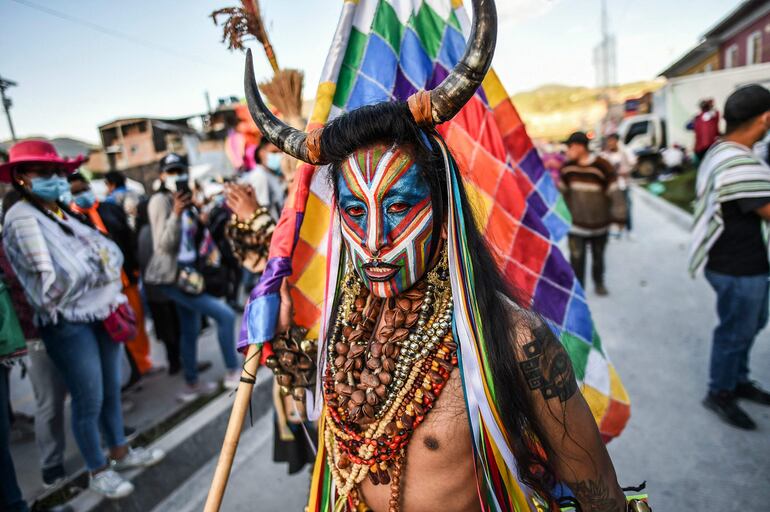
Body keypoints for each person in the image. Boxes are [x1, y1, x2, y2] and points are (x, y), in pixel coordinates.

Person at [240, 2, 640, 507]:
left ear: (443, 206)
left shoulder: (514, 339)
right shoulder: (339, 324)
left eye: (401, 205)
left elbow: (600, 494)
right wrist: (276, 327)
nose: (377, 238)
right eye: (356, 213)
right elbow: (309, 401)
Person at [0, 140, 164, 498]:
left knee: (108, 391)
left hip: (98, 313)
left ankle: (120, 451)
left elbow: (103, 256)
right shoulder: (20, 218)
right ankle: (98, 468)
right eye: (46, 173)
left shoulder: (56, 210)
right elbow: (56, 280)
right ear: (22, 177)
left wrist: (95, 273)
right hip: (67, 322)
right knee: (87, 399)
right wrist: (97, 273)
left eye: (60, 171)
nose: (57, 179)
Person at [689, 84, 770, 430]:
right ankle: (719, 392)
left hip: (739, 263)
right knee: (735, 332)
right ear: (765, 118)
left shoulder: (723, 150)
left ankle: (738, 380)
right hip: (738, 268)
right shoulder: (739, 161)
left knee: (750, 325)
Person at [145, 153, 240, 401]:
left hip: (191, 274)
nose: (178, 176)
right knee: (226, 316)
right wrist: (176, 215)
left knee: (189, 329)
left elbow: (193, 238)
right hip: (175, 278)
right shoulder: (160, 202)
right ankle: (232, 371)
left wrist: (197, 216)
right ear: (162, 176)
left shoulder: (187, 199)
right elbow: (163, 246)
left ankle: (191, 383)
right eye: (172, 172)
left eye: (180, 170)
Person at [69, 173, 155, 387]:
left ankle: (144, 362)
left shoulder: (110, 209)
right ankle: (129, 373)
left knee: (136, 321)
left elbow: (128, 238)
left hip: (127, 279)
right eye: (76, 192)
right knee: (116, 331)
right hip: (103, 290)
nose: (81, 195)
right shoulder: (72, 220)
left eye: (83, 189)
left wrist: (134, 267)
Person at [560, 132, 627, 295]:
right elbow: (561, 194)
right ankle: (578, 291)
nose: (568, 151)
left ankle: (599, 283)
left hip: (600, 225)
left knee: (598, 257)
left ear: (580, 147)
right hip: (576, 225)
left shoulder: (602, 166)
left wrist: (620, 216)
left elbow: (614, 192)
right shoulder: (568, 169)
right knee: (576, 260)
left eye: (570, 147)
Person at [135, 198, 182, 374]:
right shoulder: (151, 233)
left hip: (152, 292)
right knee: (173, 329)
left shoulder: (141, 232)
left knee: (165, 330)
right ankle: (177, 363)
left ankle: (173, 363)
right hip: (163, 290)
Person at [600, 133, 635, 233]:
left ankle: (629, 230)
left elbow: (633, 164)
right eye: (608, 141)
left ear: (617, 141)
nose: (610, 143)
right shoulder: (604, 155)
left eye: (612, 141)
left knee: (626, 207)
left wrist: (626, 171)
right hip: (611, 186)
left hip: (624, 184)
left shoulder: (625, 152)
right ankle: (617, 230)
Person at [689, 98, 720, 163]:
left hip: (700, 147)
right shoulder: (714, 114)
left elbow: (688, 126)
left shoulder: (697, 118)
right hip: (710, 145)